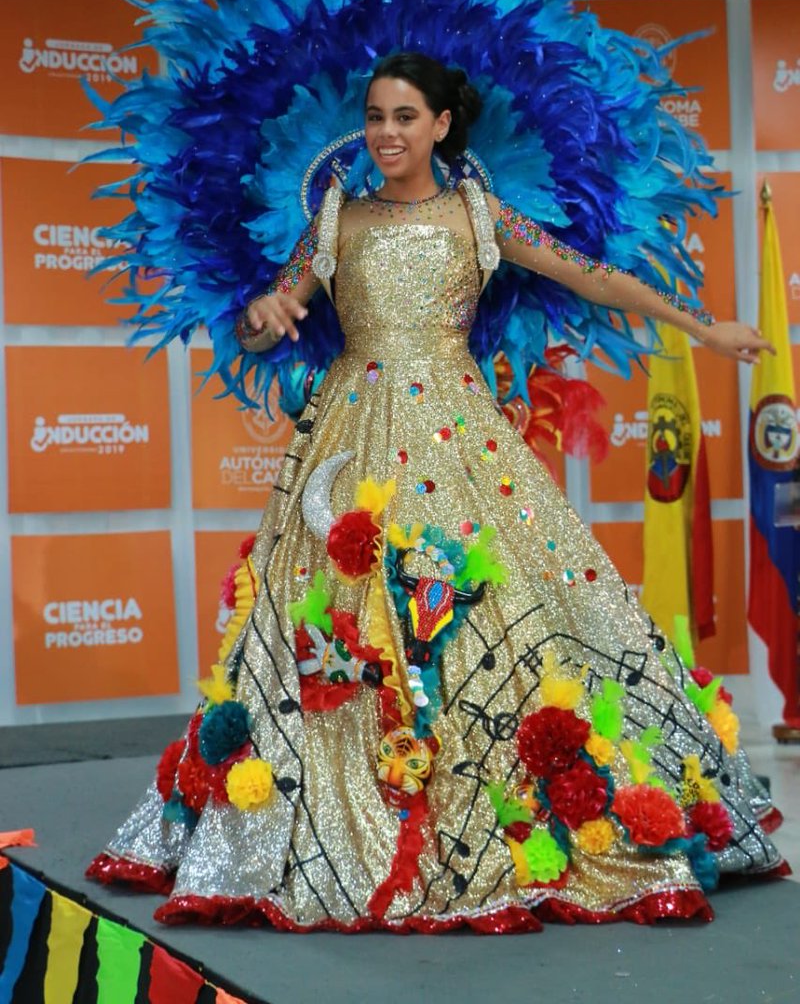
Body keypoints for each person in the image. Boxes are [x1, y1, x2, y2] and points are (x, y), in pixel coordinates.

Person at [88, 52, 787, 933]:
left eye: (405, 117)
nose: (386, 133)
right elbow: (270, 312)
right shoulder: (336, 214)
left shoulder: (479, 212)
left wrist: (704, 327)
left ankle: (504, 822)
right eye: (376, 115)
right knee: (332, 622)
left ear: (443, 125)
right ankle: (327, 821)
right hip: (349, 445)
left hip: (460, 439)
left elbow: (590, 275)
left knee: (493, 617)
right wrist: (261, 321)